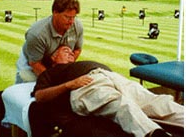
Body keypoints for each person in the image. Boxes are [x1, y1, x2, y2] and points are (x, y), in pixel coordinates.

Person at [31, 46, 184, 137]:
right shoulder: (50, 73)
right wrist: (69, 84)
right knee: (120, 104)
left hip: (111, 78)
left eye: (71, 51)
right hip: (84, 85)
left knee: (157, 102)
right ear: (53, 57)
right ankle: (155, 135)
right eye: (65, 50)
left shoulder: (78, 64)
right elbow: (40, 96)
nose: (70, 52)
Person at [15, 0, 83, 83]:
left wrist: (65, 62)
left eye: (73, 17)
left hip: (55, 62)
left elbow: (77, 49)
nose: (71, 22)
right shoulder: (37, 34)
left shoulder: (77, 26)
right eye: (67, 17)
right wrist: (53, 81)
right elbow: (35, 63)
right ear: (55, 13)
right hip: (33, 62)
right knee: (32, 88)